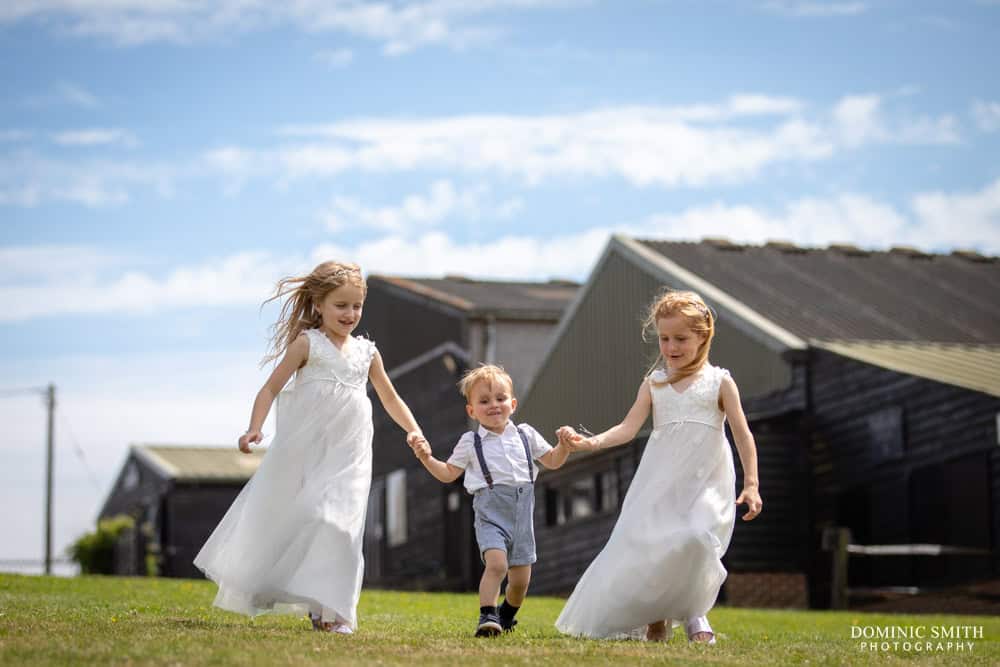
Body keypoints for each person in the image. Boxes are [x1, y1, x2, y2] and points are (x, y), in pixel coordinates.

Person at [194, 261, 425, 634]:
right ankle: (314, 601)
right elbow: (270, 388)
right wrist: (254, 428)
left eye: (356, 306)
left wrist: (415, 431)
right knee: (316, 519)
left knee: (344, 527)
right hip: (308, 451)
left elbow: (391, 398)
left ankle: (337, 611)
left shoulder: (368, 353)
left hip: (351, 453)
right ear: (318, 303)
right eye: (341, 305)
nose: (350, 314)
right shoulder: (307, 345)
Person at [554, 289, 762, 644]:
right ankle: (655, 617)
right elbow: (627, 428)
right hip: (660, 481)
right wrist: (590, 442)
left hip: (707, 480)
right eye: (665, 339)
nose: (671, 347)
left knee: (697, 538)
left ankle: (695, 612)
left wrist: (752, 484)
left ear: (703, 337)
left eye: (681, 338)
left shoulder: (720, 382)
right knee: (656, 546)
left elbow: (742, 435)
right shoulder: (655, 384)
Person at [409, 364, 575, 637]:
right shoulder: (470, 442)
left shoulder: (526, 435)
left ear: (512, 403)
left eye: (500, 399)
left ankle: (506, 615)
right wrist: (426, 457)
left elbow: (554, 461)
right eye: (484, 401)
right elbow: (448, 474)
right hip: (491, 515)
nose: (494, 405)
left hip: (522, 516)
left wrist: (565, 446)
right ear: (471, 410)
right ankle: (487, 615)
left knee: (521, 582)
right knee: (497, 565)